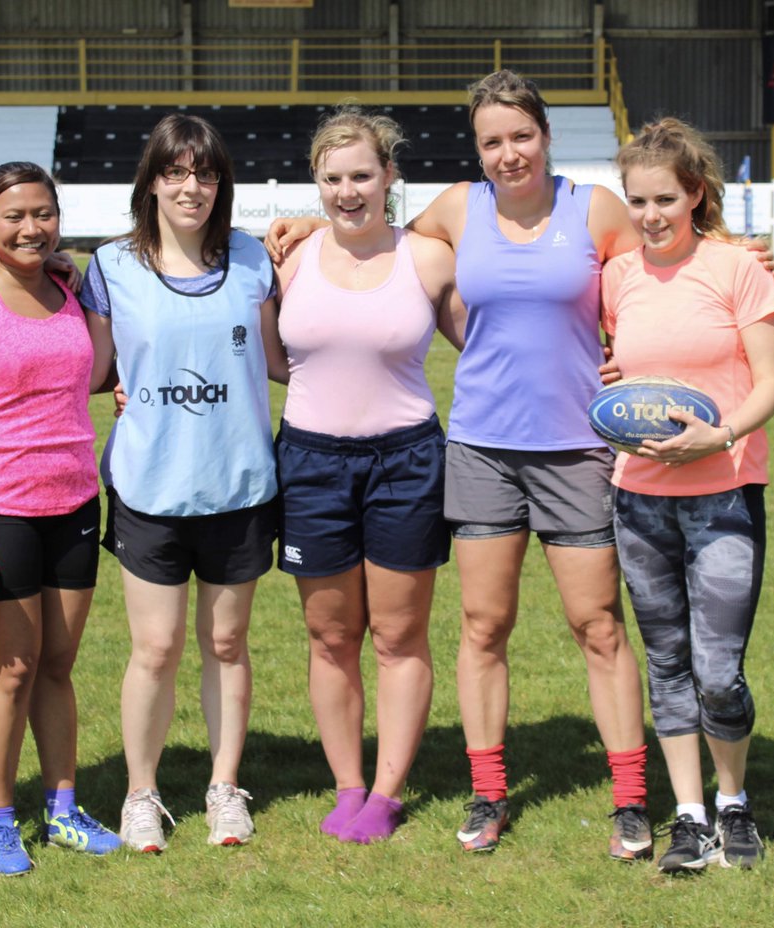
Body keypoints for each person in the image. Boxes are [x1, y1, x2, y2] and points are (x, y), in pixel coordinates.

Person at [269, 71, 652, 859]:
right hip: (478, 448)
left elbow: (667, 260)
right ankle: (486, 793)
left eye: (521, 136)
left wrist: (733, 251)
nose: (509, 153)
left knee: (599, 626)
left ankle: (631, 799)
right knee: (482, 626)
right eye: (492, 141)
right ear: (475, 150)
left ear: (545, 136)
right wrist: (313, 217)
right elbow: (365, 226)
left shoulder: (596, 209)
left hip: (576, 448)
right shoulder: (458, 208)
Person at [80, 114, 288, 852]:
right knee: (157, 648)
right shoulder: (110, 267)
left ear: (221, 183)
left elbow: (279, 360)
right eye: (176, 172)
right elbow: (94, 369)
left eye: (204, 173)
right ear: (153, 181)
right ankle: (142, 794)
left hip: (238, 484)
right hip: (150, 488)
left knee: (227, 643)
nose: (191, 186)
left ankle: (225, 788)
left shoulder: (253, 260)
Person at [0, 162, 121, 876]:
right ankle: (0, 823)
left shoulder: (69, 290)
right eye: (13, 216)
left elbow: (94, 375)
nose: (30, 227)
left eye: (42, 213)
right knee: (13, 668)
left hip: (73, 501)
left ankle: (64, 809)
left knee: (59, 666)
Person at [602, 118, 774, 873]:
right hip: (638, 497)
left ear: (695, 193)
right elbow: (621, 364)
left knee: (719, 670)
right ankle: (687, 814)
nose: (650, 215)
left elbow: (772, 381)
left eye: (665, 200)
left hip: (724, 493)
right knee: (667, 661)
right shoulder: (616, 276)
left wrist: (723, 433)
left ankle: (733, 802)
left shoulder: (738, 268)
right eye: (637, 200)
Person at [273, 107, 457, 843]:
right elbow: (256, 354)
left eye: (362, 175)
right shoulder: (287, 257)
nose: (348, 192)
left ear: (389, 178)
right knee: (329, 635)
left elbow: (491, 340)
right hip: (311, 463)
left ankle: (386, 792)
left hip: (406, 461)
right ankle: (347, 783)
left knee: (399, 634)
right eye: (333, 178)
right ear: (317, 184)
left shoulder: (429, 258)